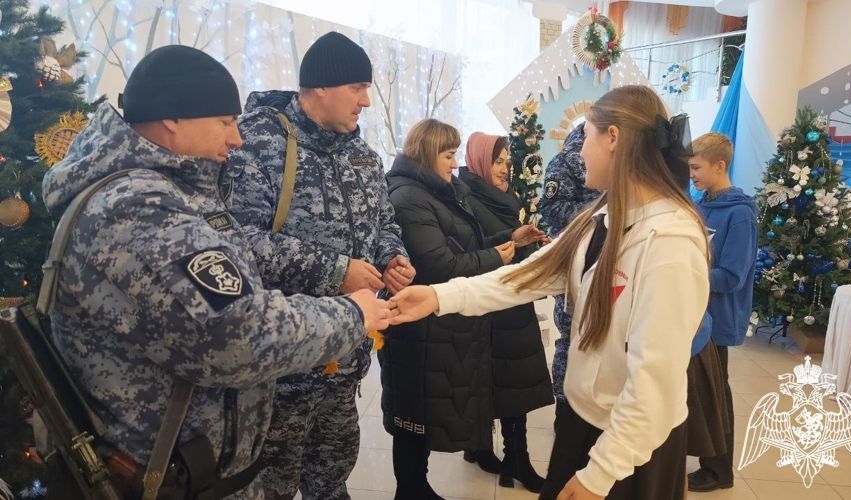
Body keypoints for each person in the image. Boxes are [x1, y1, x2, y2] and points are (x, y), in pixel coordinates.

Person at [41, 45, 393, 499]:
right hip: (165, 476)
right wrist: (352, 315)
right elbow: (237, 335)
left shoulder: (171, 192)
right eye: (225, 122)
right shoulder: (139, 209)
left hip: (194, 470)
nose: (237, 139)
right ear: (174, 118)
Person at [387, 85, 711, 500]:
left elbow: (655, 384)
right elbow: (524, 277)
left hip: (630, 447)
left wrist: (602, 472)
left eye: (586, 137)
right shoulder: (601, 218)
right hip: (582, 424)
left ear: (613, 138)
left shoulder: (669, 242)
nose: (578, 153)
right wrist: (438, 298)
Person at [226, 32, 415, 500]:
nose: (366, 102)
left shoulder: (362, 156)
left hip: (347, 356)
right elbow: (240, 241)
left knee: (331, 478)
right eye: (357, 88)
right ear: (321, 88)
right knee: (272, 484)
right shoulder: (255, 145)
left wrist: (392, 257)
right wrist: (336, 271)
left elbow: (383, 221)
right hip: (284, 366)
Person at [381, 118, 546, 499]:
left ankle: (415, 487)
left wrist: (509, 238)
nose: (454, 164)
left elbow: (466, 243)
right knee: (413, 415)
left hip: (437, 322)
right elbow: (439, 265)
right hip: (418, 322)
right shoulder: (408, 198)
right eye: (448, 154)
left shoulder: (441, 191)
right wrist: (495, 257)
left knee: (422, 410)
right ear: (425, 155)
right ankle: (411, 489)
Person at [459, 132, 553, 492]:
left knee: (513, 377)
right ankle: (499, 454)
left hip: (510, 295)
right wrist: (513, 240)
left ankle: (504, 453)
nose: (504, 168)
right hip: (488, 298)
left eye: (506, 162)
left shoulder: (501, 196)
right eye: (497, 161)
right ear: (480, 161)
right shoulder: (465, 195)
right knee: (500, 377)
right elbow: (474, 243)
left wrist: (521, 241)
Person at [686, 132, 758, 493]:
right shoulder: (701, 204)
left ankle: (719, 471)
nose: (692, 174)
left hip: (719, 318)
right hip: (696, 316)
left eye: (697, 167)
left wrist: (688, 271)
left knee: (716, 397)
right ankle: (707, 460)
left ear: (720, 165)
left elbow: (732, 276)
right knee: (702, 394)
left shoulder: (740, 215)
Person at [538, 123, 602, 404]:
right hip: (574, 262)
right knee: (571, 334)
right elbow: (551, 209)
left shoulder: (620, 159)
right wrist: (602, 211)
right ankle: (565, 404)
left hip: (608, 263)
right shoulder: (566, 160)